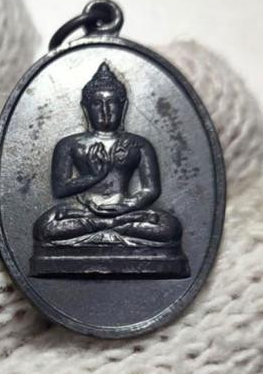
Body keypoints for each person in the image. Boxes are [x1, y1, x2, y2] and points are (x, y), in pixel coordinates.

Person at [34, 62, 182, 248]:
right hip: (84, 212)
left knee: (170, 227)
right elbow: (60, 189)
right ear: (86, 108)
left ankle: (102, 229)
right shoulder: (69, 144)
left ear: (123, 106)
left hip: (125, 211)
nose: (105, 111)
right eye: (97, 104)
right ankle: (113, 229)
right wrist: (94, 177)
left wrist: (128, 205)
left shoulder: (139, 144)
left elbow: (150, 190)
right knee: (44, 228)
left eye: (112, 103)